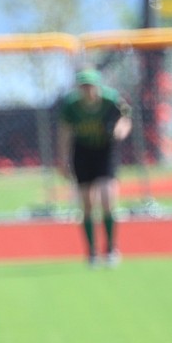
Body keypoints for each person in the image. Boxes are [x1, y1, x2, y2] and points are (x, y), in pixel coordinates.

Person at [56, 68, 133, 266]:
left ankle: (111, 248)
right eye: (83, 86)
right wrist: (63, 159)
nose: (87, 90)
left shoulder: (110, 99)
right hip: (82, 153)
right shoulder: (71, 105)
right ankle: (91, 251)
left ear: (97, 85)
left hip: (105, 151)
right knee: (87, 203)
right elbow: (65, 132)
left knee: (107, 198)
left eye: (90, 86)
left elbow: (125, 117)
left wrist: (120, 130)